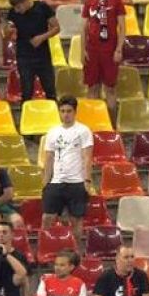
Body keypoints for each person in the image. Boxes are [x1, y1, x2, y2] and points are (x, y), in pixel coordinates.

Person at [41, 96, 93, 242]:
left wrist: (87, 181)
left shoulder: (83, 131)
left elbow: (87, 157)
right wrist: (45, 182)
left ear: (75, 112)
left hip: (76, 182)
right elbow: (49, 158)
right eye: (62, 111)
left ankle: (75, 249)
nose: (65, 114)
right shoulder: (52, 132)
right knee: (47, 217)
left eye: (69, 111)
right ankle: (46, 245)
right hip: (56, 182)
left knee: (76, 220)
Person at [82, 0, 125, 112]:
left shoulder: (116, 1)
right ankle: (93, 121)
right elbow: (84, 28)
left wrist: (119, 49)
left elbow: (122, 28)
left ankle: (111, 123)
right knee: (92, 88)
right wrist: (83, 50)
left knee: (110, 89)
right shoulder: (89, 2)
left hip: (109, 51)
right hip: (92, 50)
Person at [7, 0, 59, 101]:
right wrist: (10, 32)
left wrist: (42, 38)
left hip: (43, 56)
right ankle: (25, 112)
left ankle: (54, 111)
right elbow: (8, 30)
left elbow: (56, 28)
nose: (16, 10)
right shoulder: (13, 12)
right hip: (24, 56)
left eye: (19, 7)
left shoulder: (42, 7)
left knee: (50, 91)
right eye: (15, 8)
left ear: (26, 1)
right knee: (26, 92)